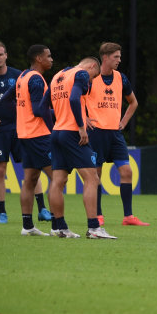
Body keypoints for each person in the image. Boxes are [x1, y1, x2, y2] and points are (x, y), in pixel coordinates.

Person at [48, 57, 115, 239]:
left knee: (58, 180)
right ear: (92, 66)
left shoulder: (57, 76)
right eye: (94, 77)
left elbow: (41, 108)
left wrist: (62, 117)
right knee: (92, 178)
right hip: (72, 133)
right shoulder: (82, 74)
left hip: (56, 132)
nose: (91, 81)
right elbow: (75, 98)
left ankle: (60, 227)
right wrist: (80, 125)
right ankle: (94, 227)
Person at [85, 42, 148, 227]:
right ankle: (97, 215)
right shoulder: (90, 78)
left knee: (126, 171)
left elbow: (133, 102)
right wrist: (84, 118)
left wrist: (123, 122)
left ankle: (128, 216)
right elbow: (77, 99)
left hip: (114, 133)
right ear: (105, 58)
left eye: (120, 57)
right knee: (96, 174)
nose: (119, 60)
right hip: (96, 133)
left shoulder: (121, 78)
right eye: (116, 57)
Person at [0, 41, 51, 224]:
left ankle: (42, 209)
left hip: (20, 129)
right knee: (0, 170)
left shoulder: (19, 75)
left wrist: (20, 114)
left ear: (6, 55)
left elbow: (16, 101)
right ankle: (2, 212)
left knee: (33, 169)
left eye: (1, 54)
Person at [15, 45, 60, 236]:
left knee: (30, 180)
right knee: (57, 178)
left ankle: (27, 226)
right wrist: (59, 114)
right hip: (38, 135)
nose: (51, 59)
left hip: (24, 134)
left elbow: (10, 99)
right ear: (38, 59)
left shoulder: (22, 76)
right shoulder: (35, 79)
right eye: (48, 56)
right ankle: (58, 227)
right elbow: (38, 109)